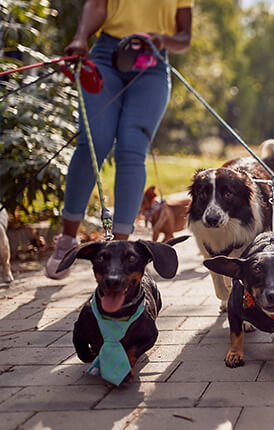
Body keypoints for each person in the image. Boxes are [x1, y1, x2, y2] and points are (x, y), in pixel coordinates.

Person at [45, 0, 192, 279]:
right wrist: (80, 38)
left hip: (152, 60)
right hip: (106, 54)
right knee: (93, 143)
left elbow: (185, 37)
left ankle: (119, 251)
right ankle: (67, 239)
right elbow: (98, 5)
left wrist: (162, 39)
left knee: (132, 151)